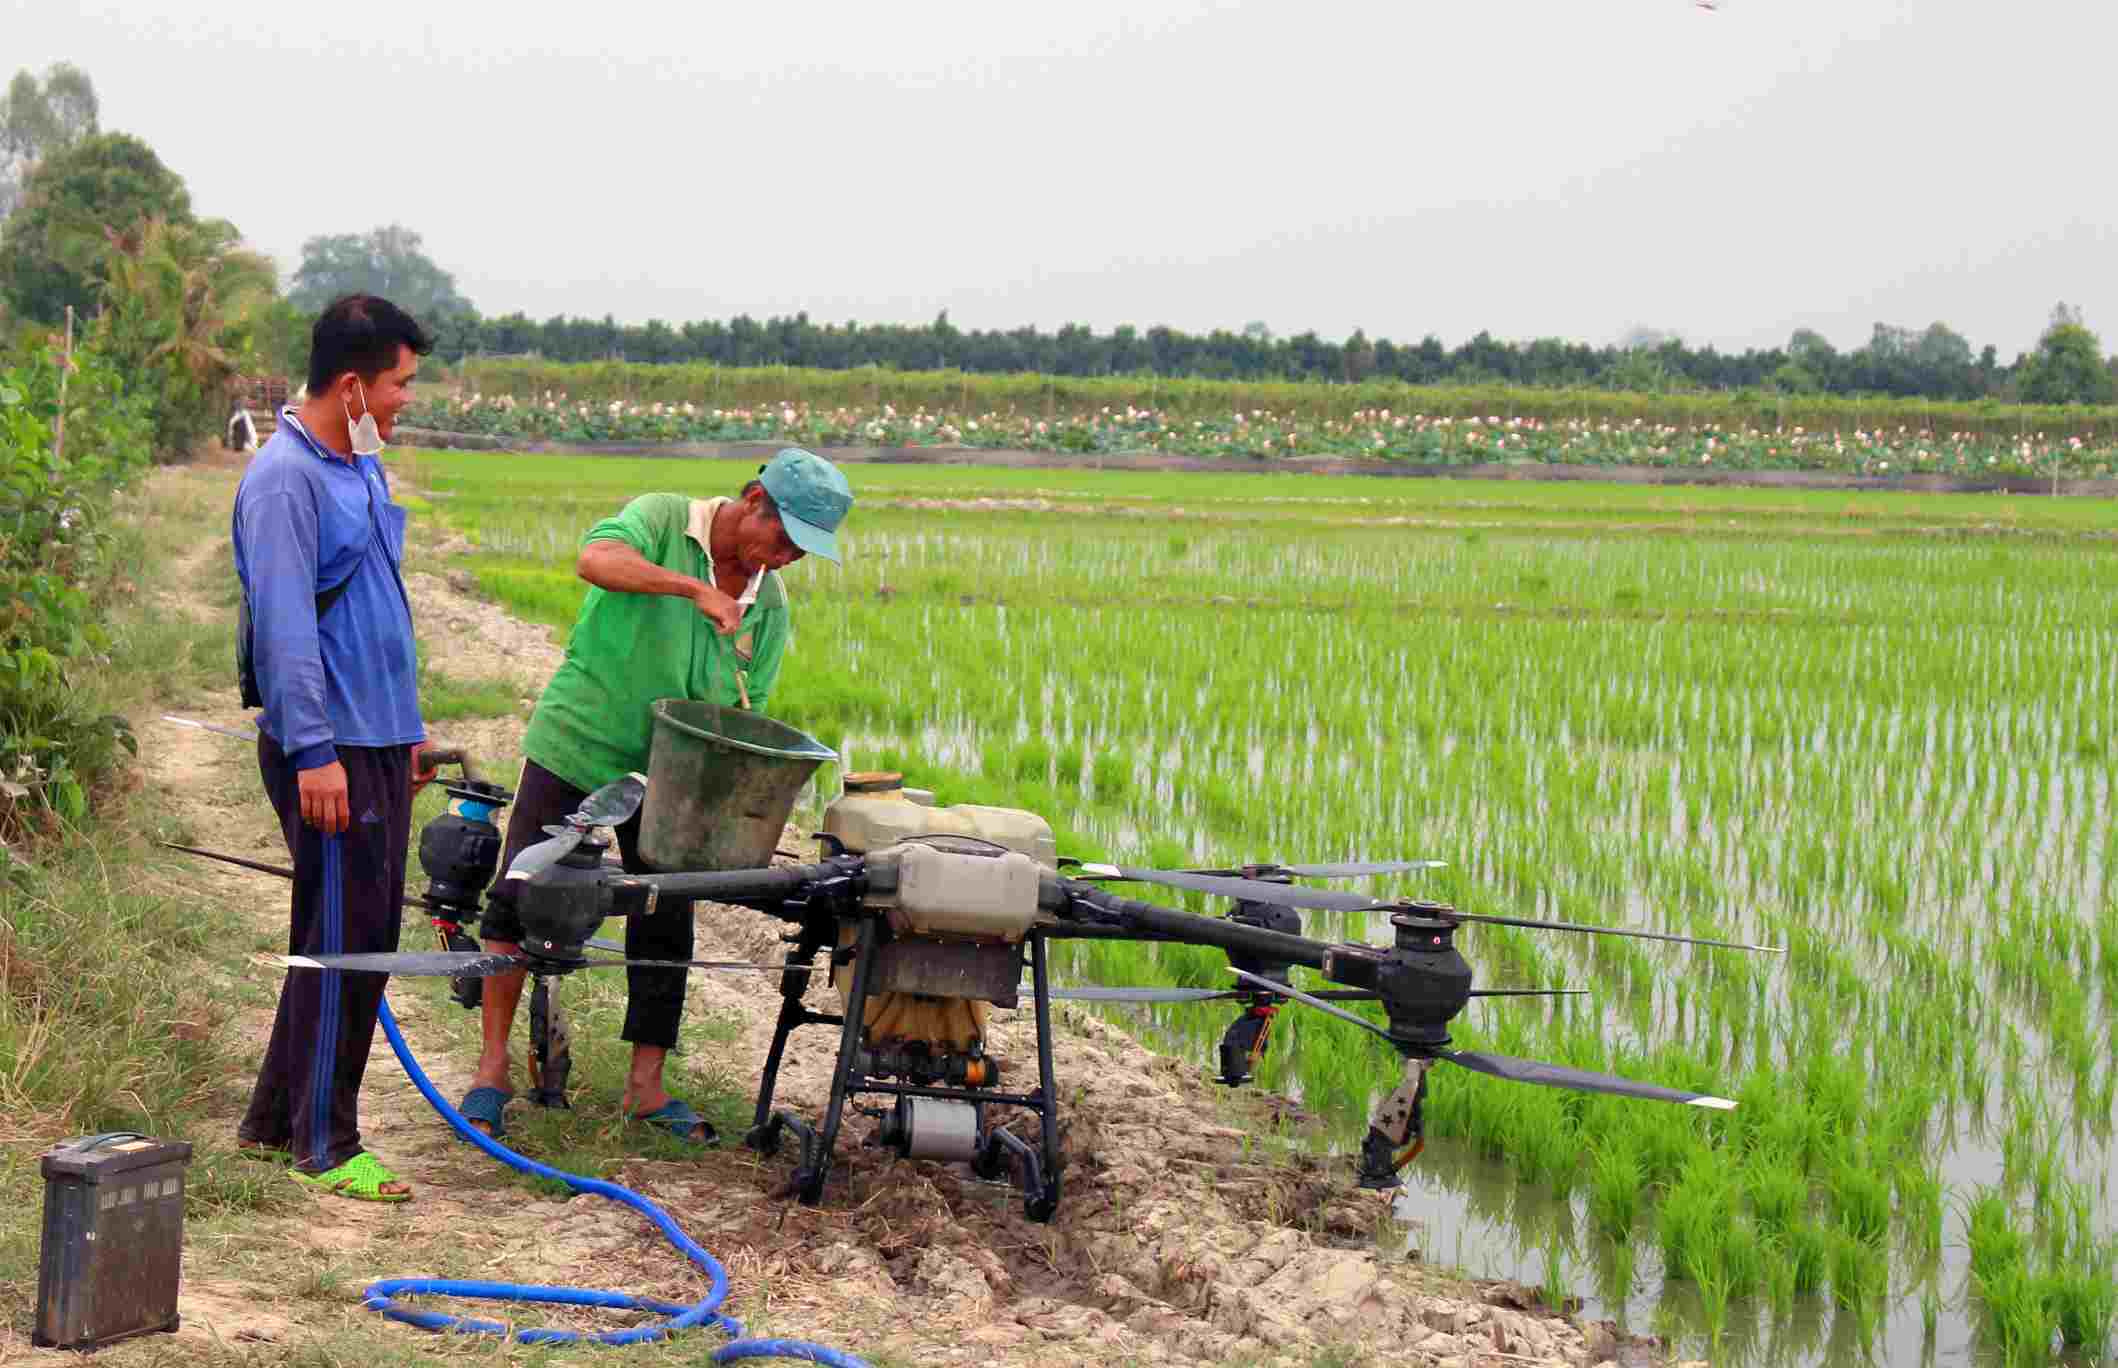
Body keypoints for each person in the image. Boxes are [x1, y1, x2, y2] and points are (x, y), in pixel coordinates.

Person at [458, 448, 853, 1145]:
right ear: (753, 497)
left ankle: (645, 1087)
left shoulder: (771, 607)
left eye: (801, 551)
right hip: (578, 741)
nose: (786, 558)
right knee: (520, 889)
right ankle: (492, 1072)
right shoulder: (662, 519)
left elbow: (742, 712)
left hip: (672, 778)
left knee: (666, 913)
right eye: (783, 538)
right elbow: (596, 560)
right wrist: (693, 590)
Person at [231, 294, 438, 1201]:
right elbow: (284, 631)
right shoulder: (286, 481)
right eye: (399, 384)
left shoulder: (357, 466)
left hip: (376, 737)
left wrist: (409, 730)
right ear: (353, 384)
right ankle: (325, 1140)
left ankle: (276, 1123)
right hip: (332, 750)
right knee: (345, 945)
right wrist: (314, 753)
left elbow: (370, 609)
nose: (405, 401)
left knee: (349, 934)